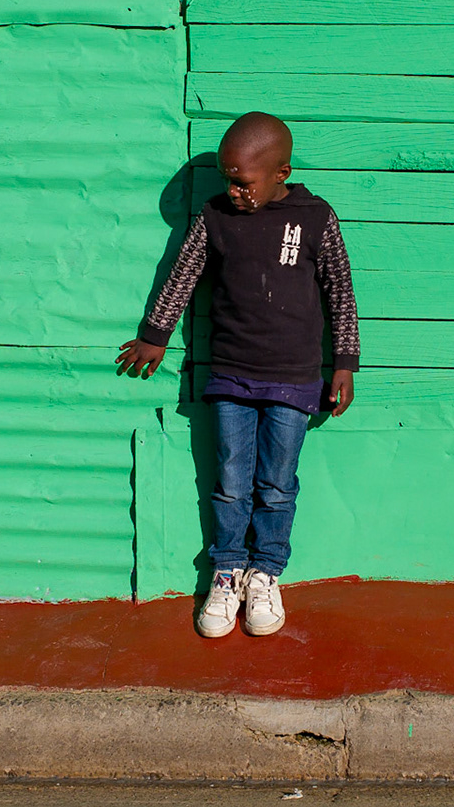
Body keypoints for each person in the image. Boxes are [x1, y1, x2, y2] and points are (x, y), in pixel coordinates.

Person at [118, 111, 359, 638]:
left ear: (281, 173)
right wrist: (156, 333)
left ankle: (266, 573)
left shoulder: (316, 217)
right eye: (227, 180)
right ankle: (227, 571)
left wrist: (344, 363)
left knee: (276, 484)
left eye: (243, 182)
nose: (233, 191)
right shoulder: (214, 216)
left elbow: (340, 290)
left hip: (294, 379)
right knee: (230, 480)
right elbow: (182, 274)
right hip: (230, 373)